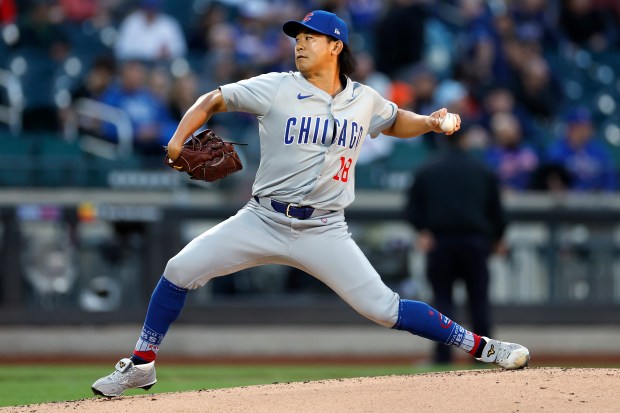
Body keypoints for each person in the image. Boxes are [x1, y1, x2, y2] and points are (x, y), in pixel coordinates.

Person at [91, 10, 529, 398]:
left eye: (310, 37)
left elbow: (395, 121)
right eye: (297, 37)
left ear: (336, 46)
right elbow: (213, 99)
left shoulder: (363, 98)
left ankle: (483, 347)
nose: (300, 43)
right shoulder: (275, 87)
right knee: (178, 270)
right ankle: (141, 365)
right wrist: (176, 141)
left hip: (325, 229)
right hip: (263, 218)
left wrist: (431, 122)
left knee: (384, 309)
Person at [405, 127, 507, 365]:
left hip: (440, 243)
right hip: (475, 243)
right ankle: (485, 356)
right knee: (479, 302)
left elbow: (411, 209)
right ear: (465, 141)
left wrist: (422, 230)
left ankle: (443, 357)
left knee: (443, 301)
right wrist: (496, 237)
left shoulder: (427, 169)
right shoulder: (482, 169)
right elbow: (498, 212)